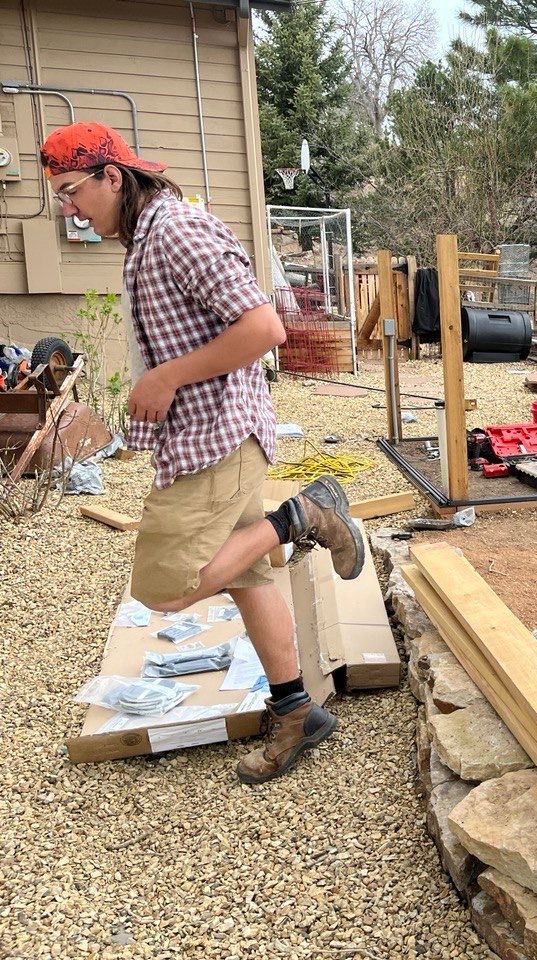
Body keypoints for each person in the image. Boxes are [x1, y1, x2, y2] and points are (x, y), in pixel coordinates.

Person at [41, 121, 364, 785]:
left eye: (73, 191)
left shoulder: (176, 231)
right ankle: (297, 711)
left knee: (166, 589)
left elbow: (265, 328)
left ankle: (306, 514)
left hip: (216, 438)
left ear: (113, 177)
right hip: (208, 434)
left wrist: (166, 377)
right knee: (247, 574)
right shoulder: (145, 238)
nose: (67, 208)